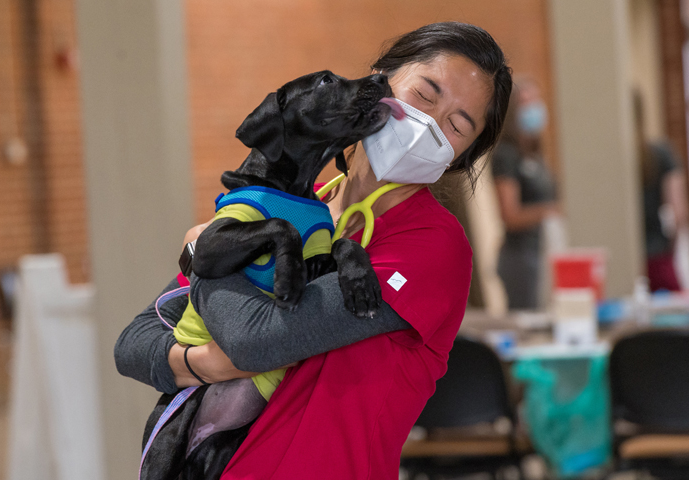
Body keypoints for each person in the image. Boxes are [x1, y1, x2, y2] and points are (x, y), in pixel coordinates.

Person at [115, 21, 512, 479]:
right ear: (380, 78)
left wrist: (203, 250)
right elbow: (134, 341)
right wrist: (197, 362)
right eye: (424, 94)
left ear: (460, 158)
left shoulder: (432, 245)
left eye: (457, 126)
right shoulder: (303, 207)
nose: (429, 126)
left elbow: (254, 341)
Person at [491, 77, 559, 310]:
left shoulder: (536, 153)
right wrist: (549, 211)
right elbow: (510, 216)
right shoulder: (506, 155)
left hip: (544, 251)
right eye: (527, 103)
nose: (535, 108)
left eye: (536, 101)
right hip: (520, 258)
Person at [634, 92, 688, 291]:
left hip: (625, 257)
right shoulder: (661, 154)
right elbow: (678, 213)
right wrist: (671, 246)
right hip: (658, 257)